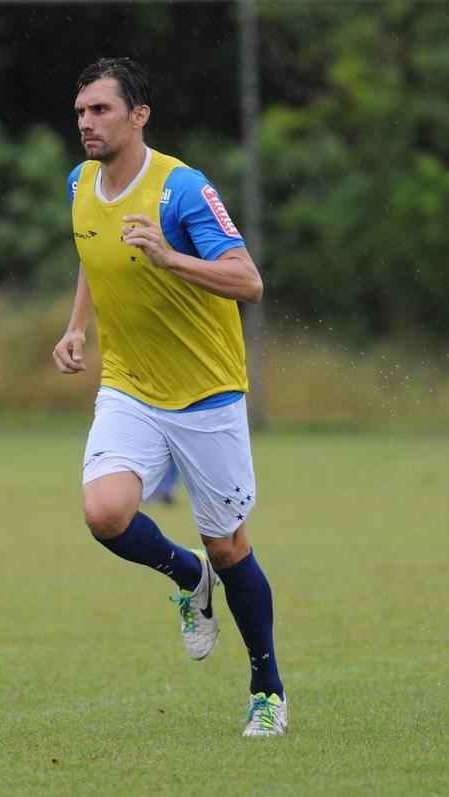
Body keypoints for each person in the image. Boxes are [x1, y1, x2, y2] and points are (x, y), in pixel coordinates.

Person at [52, 57, 287, 737]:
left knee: (231, 548)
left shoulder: (182, 189)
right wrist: (75, 328)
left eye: (100, 110)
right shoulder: (79, 184)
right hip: (128, 384)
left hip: (207, 394)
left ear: (138, 115)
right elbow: (94, 255)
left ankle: (267, 687)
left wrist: (170, 258)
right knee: (104, 512)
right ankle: (185, 577)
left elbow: (249, 282)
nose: (86, 123)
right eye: (80, 112)